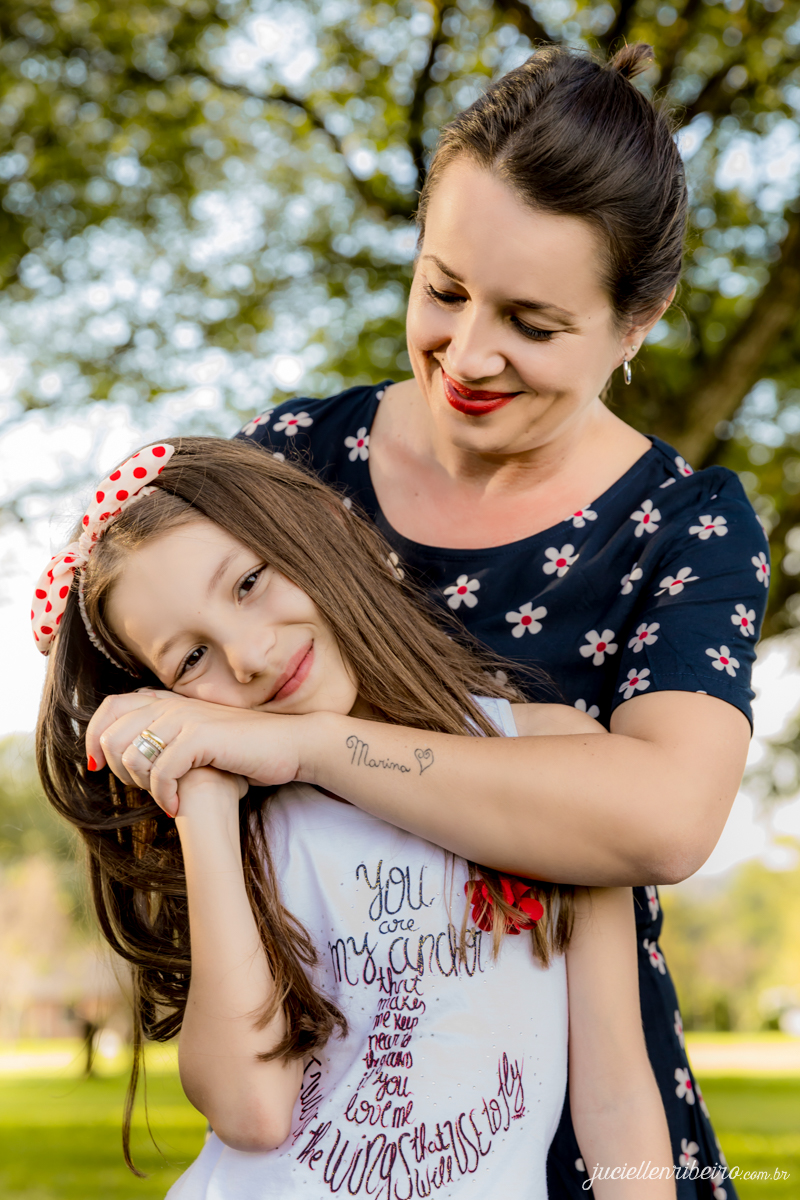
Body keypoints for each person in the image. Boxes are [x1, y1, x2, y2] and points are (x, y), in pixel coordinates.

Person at [226, 42, 766, 1196]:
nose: (467, 355)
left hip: (588, 1128)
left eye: (531, 320)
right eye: (442, 289)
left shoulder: (687, 526)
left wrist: (310, 746)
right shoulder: (289, 467)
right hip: (322, 1129)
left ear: (637, 322)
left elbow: (659, 819)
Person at [34, 436, 676, 1198]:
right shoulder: (245, 832)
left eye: (248, 583)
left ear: (323, 534)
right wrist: (200, 801)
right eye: (190, 660)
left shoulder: (547, 757)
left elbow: (615, 1096)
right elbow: (252, 1113)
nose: (249, 655)